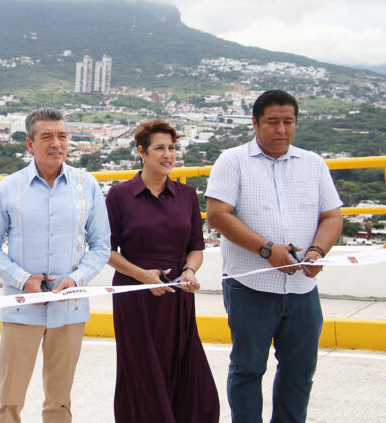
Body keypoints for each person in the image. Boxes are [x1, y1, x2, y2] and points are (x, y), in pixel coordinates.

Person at [206, 89, 343, 423]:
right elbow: (218, 215)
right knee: (248, 370)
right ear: (255, 123)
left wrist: (316, 251)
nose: (281, 129)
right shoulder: (233, 160)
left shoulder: (313, 164)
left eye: (288, 122)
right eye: (272, 122)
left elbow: (332, 216)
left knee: (300, 372)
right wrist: (266, 249)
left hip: (302, 290)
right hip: (249, 288)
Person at [0, 108, 110, 423]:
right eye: (46, 136)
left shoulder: (87, 185)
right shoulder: (9, 188)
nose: (56, 143)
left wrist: (76, 280)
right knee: (9, 401)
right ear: (30, 144)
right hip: (21, 307)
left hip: (70, 308)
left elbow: (101, 245)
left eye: (62, 136)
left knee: (59, 402)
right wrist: (23, 279)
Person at [106, 120, 219, 422]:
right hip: (135, 296)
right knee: (142, 372)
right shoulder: (119, 195)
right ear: (141, 152)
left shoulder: (187, 195)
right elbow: (107, 251)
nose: (168, 155)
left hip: (177, 296)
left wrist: (190, 272)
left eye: (172, 148)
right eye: (159, 148)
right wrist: (142, 275)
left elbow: (196, 247)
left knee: (184, 368)